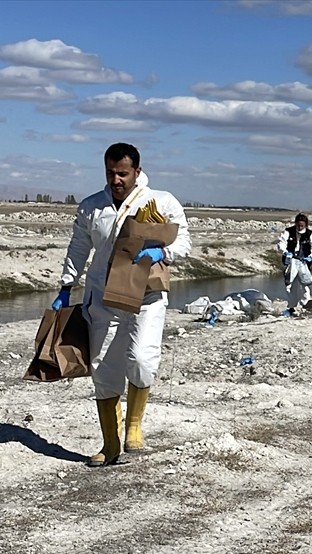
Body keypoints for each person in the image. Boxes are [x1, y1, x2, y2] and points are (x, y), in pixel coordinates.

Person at [52, 142, 191, 467]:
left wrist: (163, 253)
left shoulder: (162, 201)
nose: (116, 179)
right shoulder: (91, 207)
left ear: (137, 172)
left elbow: (184, 240)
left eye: (123, 173)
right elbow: (78, 246)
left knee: (142, 360)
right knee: (103, 367)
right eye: (110, 173)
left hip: (147, 295)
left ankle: (134, 428)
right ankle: (111, 444)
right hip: (102, 296)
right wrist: (66, 285)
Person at [277, 213, 312, 316]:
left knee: (304, 284)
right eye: (298, 225)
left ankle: (306, 305)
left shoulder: (310, 234)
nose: (300, 227)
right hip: (290, 260)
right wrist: (285, 252)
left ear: (305, 225)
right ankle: (292, 307)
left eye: (302, 225)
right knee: (290, 284)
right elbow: (281, 243)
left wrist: (311, 257)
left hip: (303, 261)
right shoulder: (288, 232)